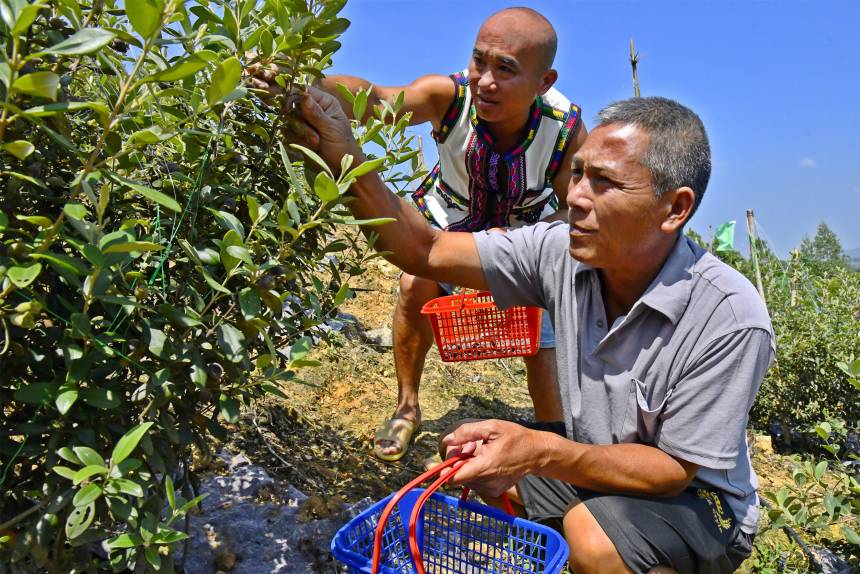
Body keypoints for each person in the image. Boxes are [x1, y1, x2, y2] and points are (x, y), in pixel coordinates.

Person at [284, 86, 773, 573]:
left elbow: (671, 471)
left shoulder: (728, 316)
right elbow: (426, 250)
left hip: (698, 503)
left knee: (594, 536)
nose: (576, 197)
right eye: (577, 173)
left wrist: (539, 448)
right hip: (603, 464)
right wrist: (342, 152)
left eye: (604, 182)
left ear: (675, 209)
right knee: (467, 468)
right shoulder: (559, 251)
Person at [251, 7, 587, 462]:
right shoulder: (449, 97)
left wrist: (536, 248)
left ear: (543, 82)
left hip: (522, 233)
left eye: (506, 69)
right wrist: (306, 85)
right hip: (448, 218)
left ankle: (554, 438)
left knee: (542, 340)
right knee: (414, 288)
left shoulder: (565, 129)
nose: (485, 81)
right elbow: (375, 100)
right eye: (479, 61)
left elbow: (572, 206)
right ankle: (406, 406)